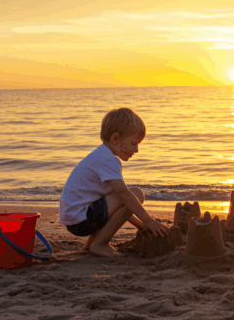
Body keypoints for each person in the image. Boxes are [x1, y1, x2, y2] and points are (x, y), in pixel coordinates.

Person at [59, 107, 169, 257]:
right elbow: (124, 195)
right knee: (136, 194)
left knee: (124, 196)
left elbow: (119, 205)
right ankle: (100, 244)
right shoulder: (108, 160)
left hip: (76, 219)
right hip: (81, 220)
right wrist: (148, 221)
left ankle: (92, 243)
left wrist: (141, 225)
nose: (137, 150)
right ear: (115, 138)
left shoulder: (101, 155)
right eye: (133, 143)